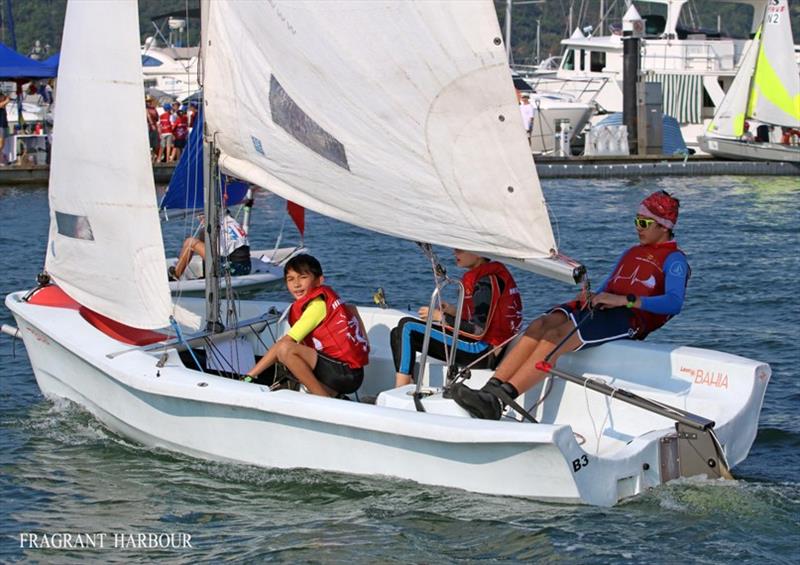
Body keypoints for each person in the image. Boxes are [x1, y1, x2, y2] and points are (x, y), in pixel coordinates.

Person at [452, 191, 689, 420]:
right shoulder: (632, 252)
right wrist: (591, 295)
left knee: (556, 336)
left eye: (644, 222)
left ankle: (499, 401)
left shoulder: (674, 259)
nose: (637, 226)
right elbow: (608, 284)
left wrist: (624, 300)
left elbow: (674, 303)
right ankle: (488, 389)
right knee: (541, 324)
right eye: (636, 220)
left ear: (664, 226)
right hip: (603, 305)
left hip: (629, 318)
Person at [391, 249, 523, 387]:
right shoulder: (488, 277)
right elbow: (483, 317)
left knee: (407, 326)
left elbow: (478, 330)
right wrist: (452, 311)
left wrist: (441, 317)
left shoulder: (485, 283)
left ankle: (401, 387)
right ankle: (406, 385)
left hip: (482, 351)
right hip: (481, 346)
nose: (455, 254)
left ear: (478, 254)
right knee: (396, 333)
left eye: (460, 250)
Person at [245, 254, 370, 397]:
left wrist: (250, 376)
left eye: (303, 277)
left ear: (319, 280)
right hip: (351, 372)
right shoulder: (326, 302)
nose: (296, 284)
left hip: (344, 375)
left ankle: (324, 399)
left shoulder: (317, 306)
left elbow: (285, 344)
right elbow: (352, 309)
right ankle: (333, 395)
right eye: (290, 279)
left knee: (285, 350)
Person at [170, 211, 251, 280]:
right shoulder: (233, 222)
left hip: (232, 270)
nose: (200, 221)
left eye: (200, 218)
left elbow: (210, 253)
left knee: (190, 243)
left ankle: (175, 277)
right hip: (246, 268)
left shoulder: (212, 227)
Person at [145, 96, 160, 162]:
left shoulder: (154, 109)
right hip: (148, 128)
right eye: (147, 101)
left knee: (155, 144)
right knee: (149, 144)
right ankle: (150, 157)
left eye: (149, 101)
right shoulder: (145, 109)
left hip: (154, 128)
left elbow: (157, 118)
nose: (149, 103)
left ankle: (154, 156)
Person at [0, 92, 8, 164]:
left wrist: (6, 99)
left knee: (2, 143)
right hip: (1, 125)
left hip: (4, 125)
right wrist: (6, 100)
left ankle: (1, 159)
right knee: (1, 143)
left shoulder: (3, 105)